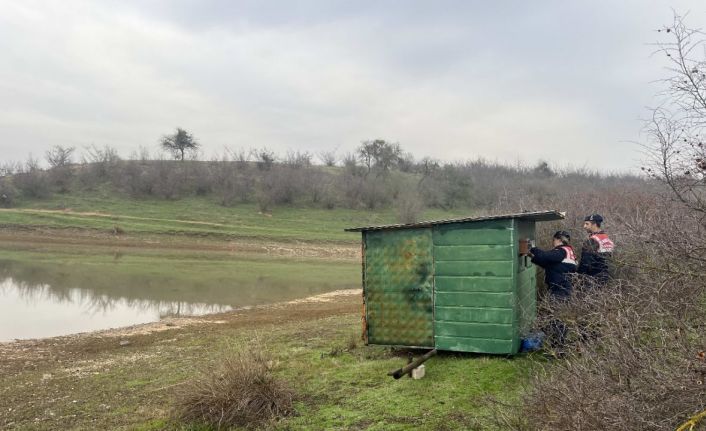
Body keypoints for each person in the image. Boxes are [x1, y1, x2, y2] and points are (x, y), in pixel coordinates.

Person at [529, 230, 578, 299]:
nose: (553, 242)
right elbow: (549, 264)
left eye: (554, 240)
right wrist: (533, 257)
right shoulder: (568, 251)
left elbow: (545, 256)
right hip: (563, 287)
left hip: (560, 289)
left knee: (557, 307)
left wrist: (533, 248)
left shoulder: (561, 251)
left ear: (559, 240)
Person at [577, 214, 614, 286]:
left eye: (587, 224)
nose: (584, 226)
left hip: (591, 278)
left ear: (594, 224)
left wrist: (578, 277)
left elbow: (585, 262)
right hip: (605, 277)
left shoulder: (592, 240)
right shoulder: (607, 239)